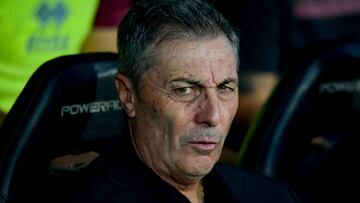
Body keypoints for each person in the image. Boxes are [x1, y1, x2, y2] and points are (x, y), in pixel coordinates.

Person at [45, 0, 301, 202]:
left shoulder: (273, 195)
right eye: (185, 90)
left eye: (224, 88)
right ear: (127, 95)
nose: (213, 115)